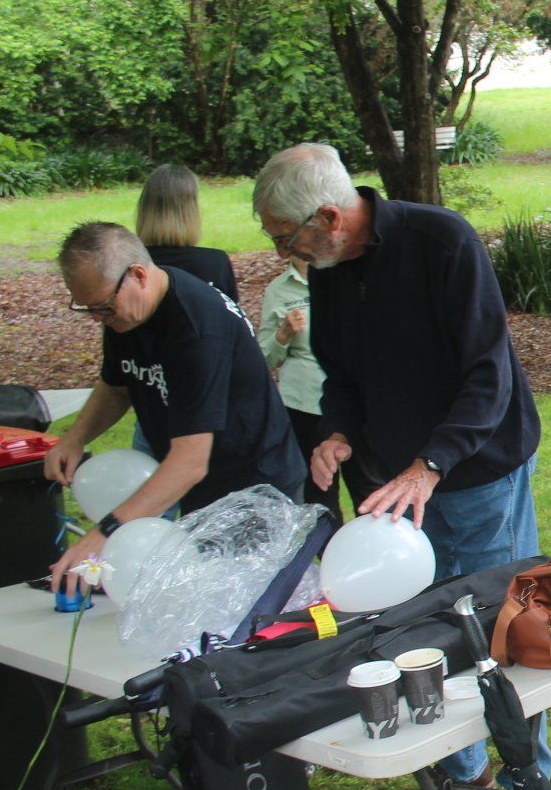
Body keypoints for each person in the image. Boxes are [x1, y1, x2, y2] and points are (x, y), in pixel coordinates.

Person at [251, 143, 550, 790]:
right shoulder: (327, 271)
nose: (280, 252)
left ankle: (525, 787)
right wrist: (336, 434)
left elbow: (488, 376)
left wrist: (429, 466)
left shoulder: (440, 242)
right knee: (417, 628)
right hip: (391, 488)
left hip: (473, 474)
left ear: (328, 217)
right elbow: (341, 377)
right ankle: (458, 768)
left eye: (283, 237)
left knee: (498, 634)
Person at [44, 223, 303, 592]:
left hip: (254, 487)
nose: (99, 318)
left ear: (137, 275)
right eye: (88, 309)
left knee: (246, 612)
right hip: (202, 484)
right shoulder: (125, 314)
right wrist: (75, 437)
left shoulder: (197, 330)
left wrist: (106, 533)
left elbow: (189, 463)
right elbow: (118, 386)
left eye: (103, 307)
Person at [257, 255, 340, 519]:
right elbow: (265, 357)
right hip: (304, 402)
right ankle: (328, 555)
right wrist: (283, 335)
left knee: (370, 483)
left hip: (352, 398)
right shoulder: (279, 289)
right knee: (319, 491)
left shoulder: (344, 275)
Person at [135, 163, 238, 302]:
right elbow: (230, 320)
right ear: (191, 210)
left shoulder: (131, 269)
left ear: (145, 210)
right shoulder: (215, 263)